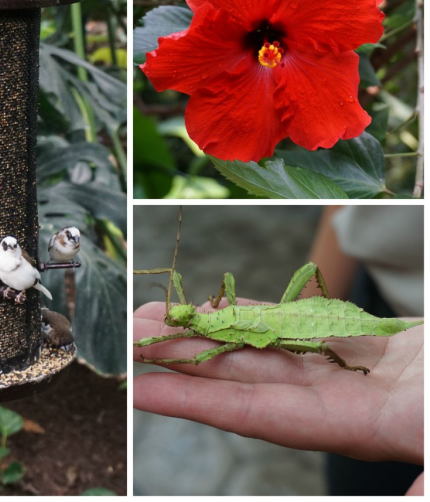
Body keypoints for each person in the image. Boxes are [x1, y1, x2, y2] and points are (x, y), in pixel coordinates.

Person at [133, 206, 423, 496]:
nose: (174, 316)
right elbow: (224, 278)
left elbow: (196, 357)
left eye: (177, 315)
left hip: (299, 324)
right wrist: (220, 299)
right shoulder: (206, 322)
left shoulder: (217, 334)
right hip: (361, 291)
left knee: (321, 343)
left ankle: (346, 361)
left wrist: (163, 351)